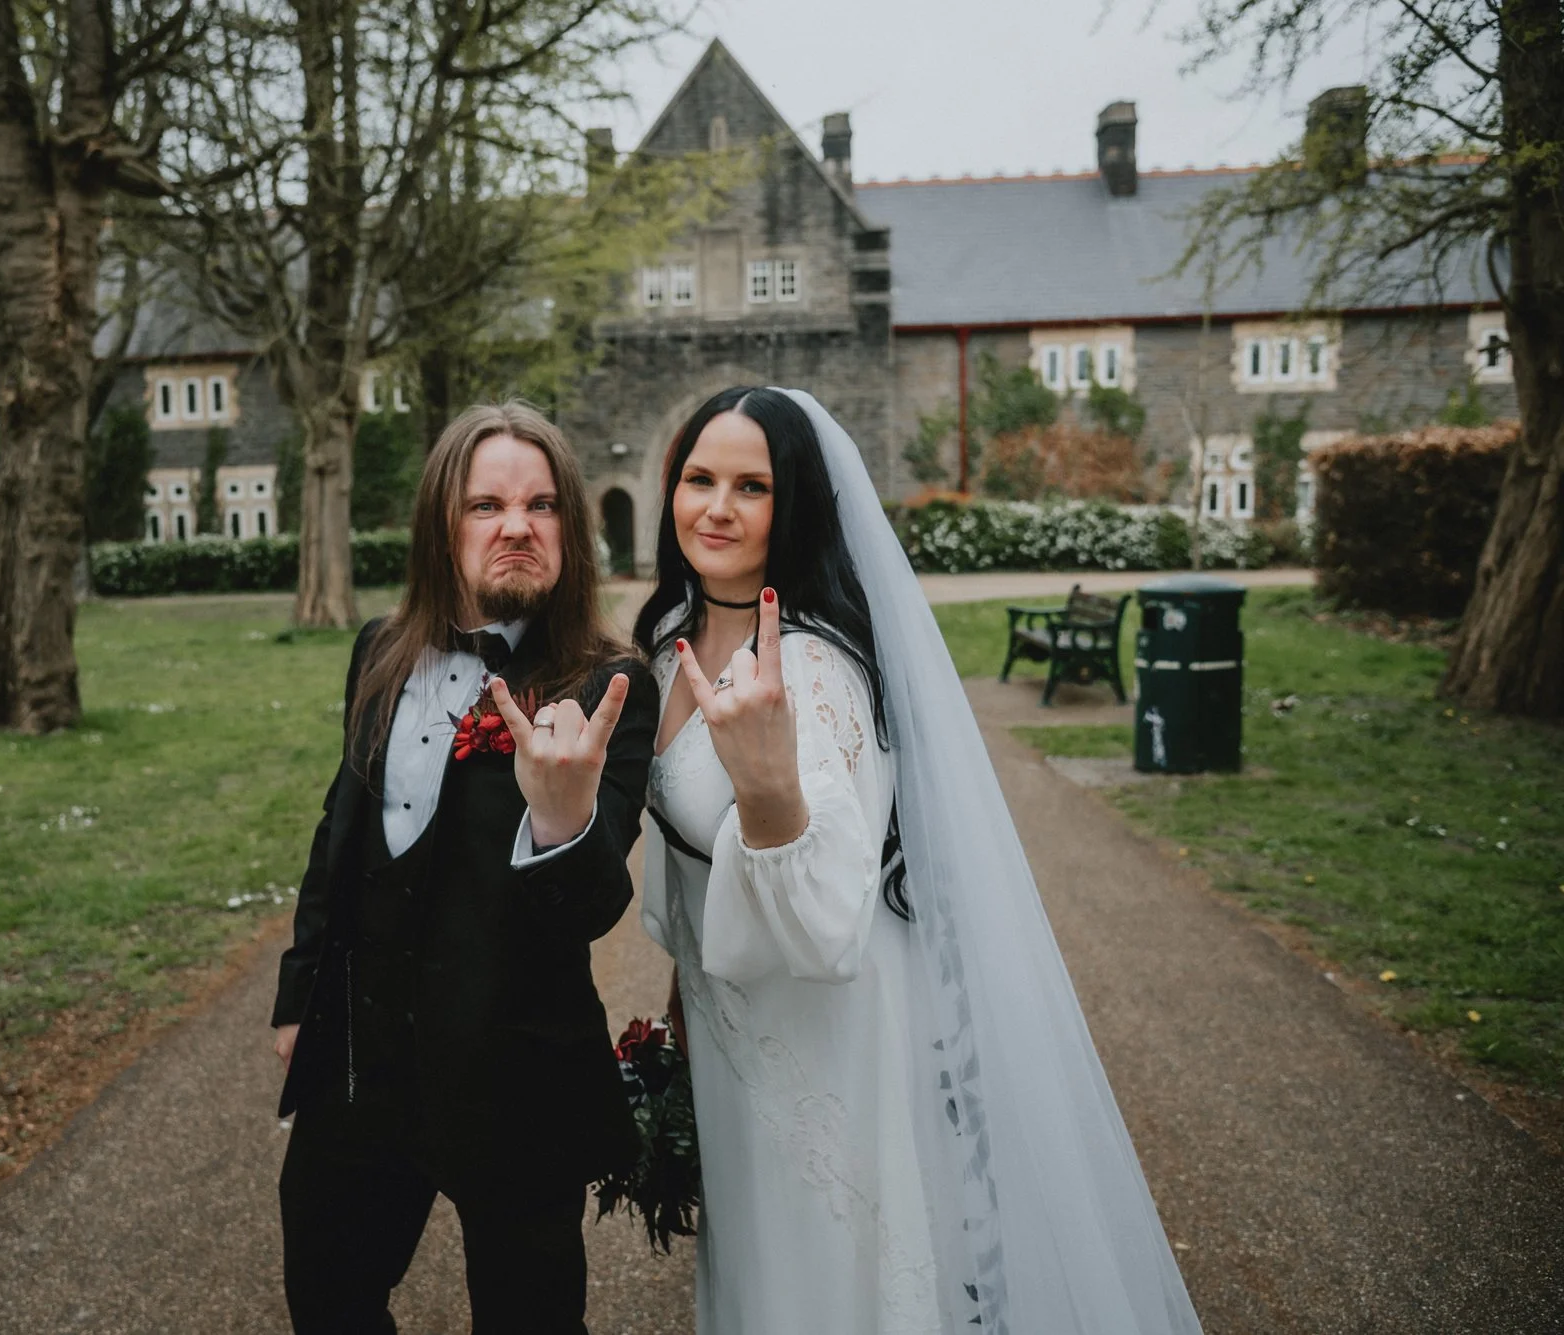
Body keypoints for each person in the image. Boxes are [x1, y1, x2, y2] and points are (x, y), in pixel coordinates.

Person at [635, 387, 1203, 1335]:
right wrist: (678, 1009)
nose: (716, 507)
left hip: (824, 1032)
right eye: (699, 479)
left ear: (800, 504)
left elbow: (826, 921)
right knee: (754, 1267)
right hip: (730, 1019)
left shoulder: (814, 675)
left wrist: (771, 791)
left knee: (824, 1274)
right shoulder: (670, 640)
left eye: (752, 486)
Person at [270, 401, 659, 1335]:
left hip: (515, 1074)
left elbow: (595, 904)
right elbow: (340, 835)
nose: (516, 525)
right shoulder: (379, 652)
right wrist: (297, 996)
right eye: (486, 504)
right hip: (361, 1067)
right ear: (442, 530)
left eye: (540, 505)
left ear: (571, 527)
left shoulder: (611, 685)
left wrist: (564, 814)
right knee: (328, 1292)